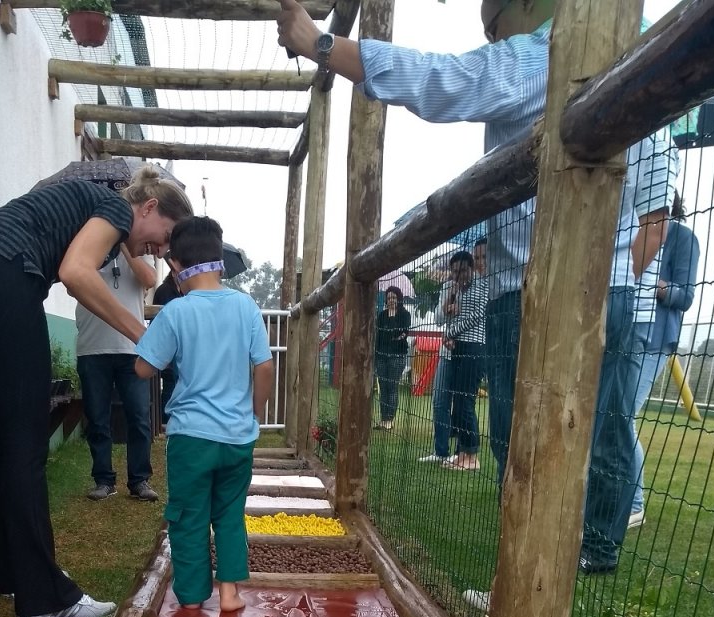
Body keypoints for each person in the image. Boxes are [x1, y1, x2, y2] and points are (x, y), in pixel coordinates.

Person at [276, 0, 676, 577]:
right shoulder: (645, 69)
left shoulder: (544, 56)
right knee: (602, 425)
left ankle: (537, 572)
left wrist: (322, 45)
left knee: (526, 444)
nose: (491, 38)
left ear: (526, 9)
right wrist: (621, 281)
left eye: (492, 27)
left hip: (533, 291)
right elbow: (654, 213)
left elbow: (449, 81)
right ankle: (591, 550)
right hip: (608, 289)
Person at [0, 166, 192, 617]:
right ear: (148, 207)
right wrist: (144, 336)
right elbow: (76, 273)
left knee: (2, 438)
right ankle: (44, 597)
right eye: (165, 234)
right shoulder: (115, 204)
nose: (161, 247)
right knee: (25, 443)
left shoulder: (93, 207)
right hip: (1, 279)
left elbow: (77, 274)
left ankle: (17, 573)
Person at [135, 216, 274, 613]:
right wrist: (255, 411)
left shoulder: (175, 313)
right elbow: (264, 367)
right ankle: (229, 594)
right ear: (220, 259)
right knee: (230, 513)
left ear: (175, 266)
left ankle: (193, 599)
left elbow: (144, 368)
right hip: (237, 436)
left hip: (191, 438)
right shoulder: (245, 305)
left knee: (189, 515)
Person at [627, 193, 701, 526]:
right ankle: (612, 495)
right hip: (624, 335)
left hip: (656, 340)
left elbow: (685, 296)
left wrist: (656, 286)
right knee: (611, 414)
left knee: (622, 416)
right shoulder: (632, 232)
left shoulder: (684, 238)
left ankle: (634, 504)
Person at [76, 245, 159, 503]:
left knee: (139, 418)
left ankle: (139, 480)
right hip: (92, 346)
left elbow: (149, 279)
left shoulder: (138, 248)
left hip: (131, 348)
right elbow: (73, 280)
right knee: (97, 418)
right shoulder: (91, 242)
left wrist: (125, 246)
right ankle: (104, 481)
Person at [419, 250, 487, 469]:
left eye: (463, 271)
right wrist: (448, 304)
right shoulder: (449, 287)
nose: (459, 276)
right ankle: (443, 451)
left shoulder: (481, 286)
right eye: (455, 272)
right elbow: (438, 319)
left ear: (471, 268)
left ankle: (466, 453)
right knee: (443, 400)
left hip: (470, 348)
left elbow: (477, 316)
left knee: (463, 402)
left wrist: (451, 330)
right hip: (450, 351)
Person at [374, 286, 411, 429]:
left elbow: (401, 334)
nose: (391, 300)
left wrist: (393, 332)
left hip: (397, 356)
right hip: (381, 356)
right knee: (383, 388)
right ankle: (383, 419)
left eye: (394, 298)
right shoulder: (381, 315)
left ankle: (390, 420)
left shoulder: (404, 315)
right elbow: (381, 336)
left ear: (399, 299)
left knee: (392, 387)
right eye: (389, 298)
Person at [152, 264, 181, 426]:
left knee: (174, 382)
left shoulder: (182, 291)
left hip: (177, 345)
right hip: (168, 344)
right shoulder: (164, 291)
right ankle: (165, 419)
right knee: (170, 382)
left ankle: (168, 418)